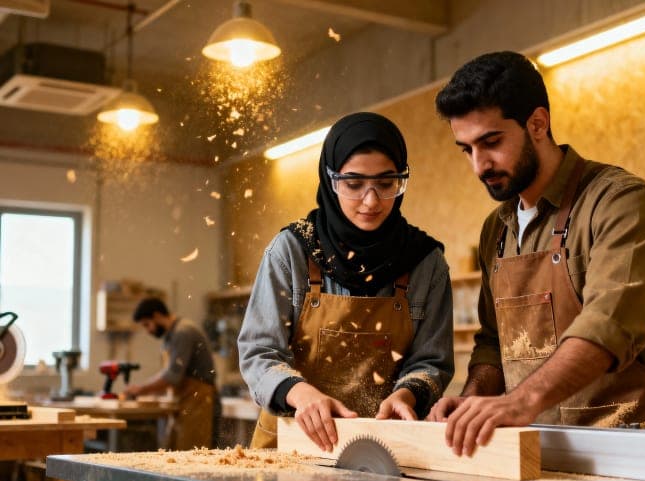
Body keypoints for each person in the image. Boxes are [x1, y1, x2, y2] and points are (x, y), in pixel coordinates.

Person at [427, 51, 645, 457]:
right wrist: (474, 397)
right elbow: (494, 341)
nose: (480, 165)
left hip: (630, 451)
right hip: (536, 454)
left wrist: (520, 401)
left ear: (538, 124)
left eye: (491, 142)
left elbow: (607, 327)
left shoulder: (620, 203)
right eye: (467, 149)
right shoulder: (498, 229)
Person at [238, 111, 454, 452]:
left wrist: (408, 392)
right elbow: (259, 352)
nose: (371, 201)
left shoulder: (425, 262)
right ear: (330, 179)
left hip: (382, 449)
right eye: (353, 184)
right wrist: (301, 393)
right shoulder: (292, 251)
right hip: (292, 446)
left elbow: (432, 362)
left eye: (386, 184)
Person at [124, 297, 220, 450]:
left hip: (199, 401)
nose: (148, 330)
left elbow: (172, 376)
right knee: (176, 454)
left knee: (193, 456)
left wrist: (140, 389)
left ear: (156, 316)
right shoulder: (170, 337)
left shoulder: (183, 332)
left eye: (147, 324)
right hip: (184, 402)